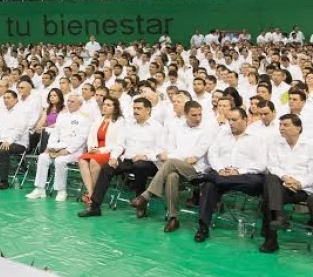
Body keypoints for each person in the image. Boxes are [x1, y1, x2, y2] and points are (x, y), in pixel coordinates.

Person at [128, 101, 215, 232]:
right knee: (171, 176)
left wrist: (171, 156)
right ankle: (173, 218)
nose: (198, 118)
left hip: (198, 171)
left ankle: (146, 195)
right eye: (194, 115)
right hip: (177, 168)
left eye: (199, 115)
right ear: (185, 115)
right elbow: (170, 148)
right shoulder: (178, 128)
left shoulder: (207, 130)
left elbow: (194, 156)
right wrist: (174, 155)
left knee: (170, 162)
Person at [78, 97, 162, 218]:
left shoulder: (157, 127)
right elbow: (120, 144)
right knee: (107, 167)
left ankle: (141, 203)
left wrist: (145, 156)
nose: (135, 111)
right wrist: (113, 157)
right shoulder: (129, 125)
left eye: (139, 108)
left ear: (148, 110)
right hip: (128, 160)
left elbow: (161, 149)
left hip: (148, 162)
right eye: (134, 108)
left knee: (140, 166)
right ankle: (95, 206)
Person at [193, 107, 266, 242]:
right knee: (209, 187)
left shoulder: (257, 139)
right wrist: (220, 170)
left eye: (234, 120)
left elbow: (261, 164)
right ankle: (203, 227)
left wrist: (238, 171)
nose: (231, 123)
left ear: (245, 120)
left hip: (245, 176)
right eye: (229, 120)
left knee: (257, 182)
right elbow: (212, 155)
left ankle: (211, 177)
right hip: (223, 173)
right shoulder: (221, 136)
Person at [259, 114, 313, 253]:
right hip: (283, 186)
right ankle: (279, 217)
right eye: (281, 125)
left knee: (270, 195)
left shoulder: (310, 145)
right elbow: (272, 166)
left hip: (304, 190)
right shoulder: (276, 145)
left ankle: (271, 239)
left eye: (286, 125)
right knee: (270, 179)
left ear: (298, 128)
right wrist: (286, 178)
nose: (282, 128)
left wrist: (300, 183)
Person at [26, 93, 92, 201]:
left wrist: (68, 150)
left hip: (75, 150)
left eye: (72, 101)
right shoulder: (62, 115)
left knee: (60, 161)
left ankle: (61, 191)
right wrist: (50, 147)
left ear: (80, 104)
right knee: (43, 157)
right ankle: (39, 189)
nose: (69, 103)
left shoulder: (85, 118)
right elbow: (55, 132)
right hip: (58, 147)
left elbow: (82, 138)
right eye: (68, 101)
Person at [77, 96, 125, 205]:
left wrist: (101, 150)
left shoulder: (120, 121)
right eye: (104, 104)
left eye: (108, 105)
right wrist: (92, 148)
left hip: (109, 152)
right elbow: (91, 137)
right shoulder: (99, 119)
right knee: (82, 160)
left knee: (94, 161)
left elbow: (119, 143)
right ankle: (92, 193)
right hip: (96, 150)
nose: (105, 107)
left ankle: (91, 196)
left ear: (115, 108)